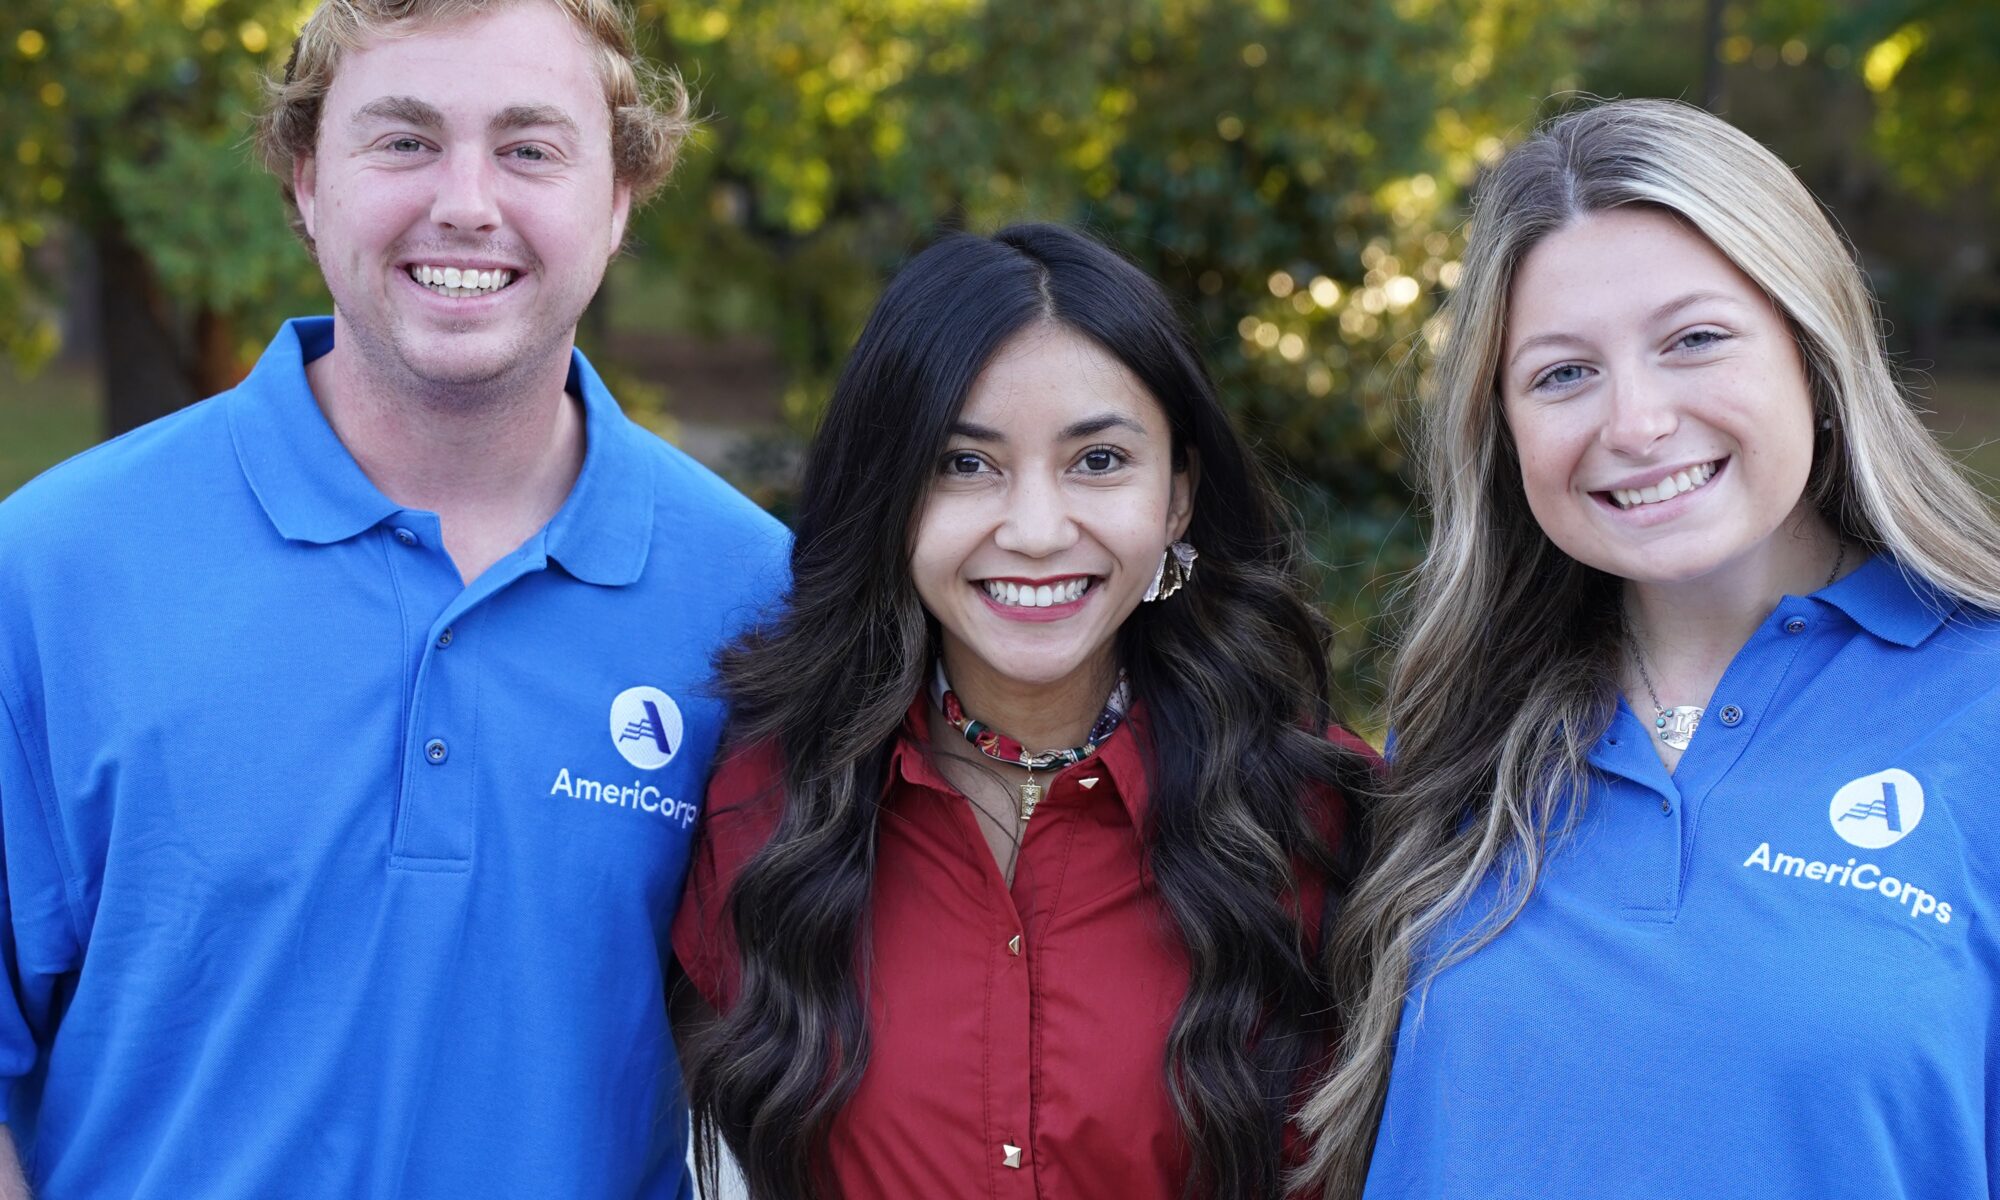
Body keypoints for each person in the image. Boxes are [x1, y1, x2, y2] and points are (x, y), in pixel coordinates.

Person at [0, 0, 786, 1195]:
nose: (465, 200)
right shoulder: (53, 570)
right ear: (307, 178)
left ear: (619, 196)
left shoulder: (757, 604)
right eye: (404, 139)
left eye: (529, 148)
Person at [1297, 98, 2000, 1199]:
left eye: (1692, 340)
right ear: (1505, 428)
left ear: (1811, 353)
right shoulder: (1453, 739)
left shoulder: (1982, 705)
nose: (1632, 423)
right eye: (1562, 374)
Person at [668, 223, 1378, 1200]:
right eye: (965, 465)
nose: (1037, 531)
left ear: (1176, 497)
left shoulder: (1319, 815)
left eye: (1097, 462)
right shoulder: (761, 803)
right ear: (890, 498)